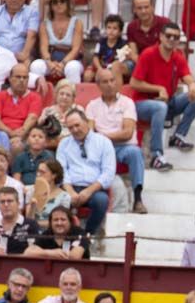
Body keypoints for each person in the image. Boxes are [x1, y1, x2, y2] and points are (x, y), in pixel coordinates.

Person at [129, 22, 195, 171]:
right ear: (161, 37)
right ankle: (156, 155)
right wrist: (158, 88)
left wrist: (193, 85)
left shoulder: (177, 56)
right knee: (160, 107)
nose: (171, 39)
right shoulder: (149, 54)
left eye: (175, 37)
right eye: (168, 35)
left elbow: (187, 75)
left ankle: (178, 136)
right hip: (142, 104)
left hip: (167, 103)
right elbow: (134, 83)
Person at [86, 69, 147, 214]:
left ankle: (138, 198)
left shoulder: (127, 103)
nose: (110, 85)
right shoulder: (92, 105)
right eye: (105, 82)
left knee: (135, 152)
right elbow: (89, 133)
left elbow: (127, 133)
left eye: (112, 80)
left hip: (122, 147)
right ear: (98, 85)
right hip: (101, 149)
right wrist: (100, 138)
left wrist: (102, 135)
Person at [58, 108, 116, 237]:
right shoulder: (64, 144)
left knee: (101, 201)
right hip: (69, 188)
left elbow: (108, 173)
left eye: (77, 125)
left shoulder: (104, 142)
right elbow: (61, 170)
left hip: (94, 189)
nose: (74, 130)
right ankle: (63, 237)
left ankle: (87, 235)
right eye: (70, 127)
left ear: (86, 122)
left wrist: (89, 191)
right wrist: (70, 192)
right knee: (57, 201)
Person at [31, 0, 85, 85]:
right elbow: (43, 48)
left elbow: (76, 49)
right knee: (36, 65)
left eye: (62, 1)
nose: (59, 4)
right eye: (55, 2)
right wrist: (50, 64)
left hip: (71, 60)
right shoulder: (44, 24)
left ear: (67, 3)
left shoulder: (77, 23)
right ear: (51, 5)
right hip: (51, 60)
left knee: (72, 67)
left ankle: (72, 97)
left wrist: (62, 64)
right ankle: (38, 97)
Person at [0, 185, 38, 255]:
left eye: (10, 201)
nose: (6, 204)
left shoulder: (30, 225)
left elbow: (34, 250)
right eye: (2, 202)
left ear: (18, 204)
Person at [18, 268, 89, 303]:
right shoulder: (50, 301)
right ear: (60, 286)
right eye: (65, 284)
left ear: (80, 287)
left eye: (73, 284)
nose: (68, 287)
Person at [24, 205, 90, 260]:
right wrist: (51, 253)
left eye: (63, 219)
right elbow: (27, 253)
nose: (59, 223)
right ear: (50, 223)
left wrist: (41, 253)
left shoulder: (79, 233)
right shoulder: (47, 234)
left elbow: (75, 256)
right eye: (56, 220)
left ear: (70, 222)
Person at [87, 13, 133, 85]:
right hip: (101, 67)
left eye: (115, 28)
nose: (111, 31)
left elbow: (122, 60)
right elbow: (95, 57)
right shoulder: (101, 42)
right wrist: (100, 69)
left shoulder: (123, 44)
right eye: (109, 27)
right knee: (87, 75)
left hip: (114, 69)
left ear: (120, 31)